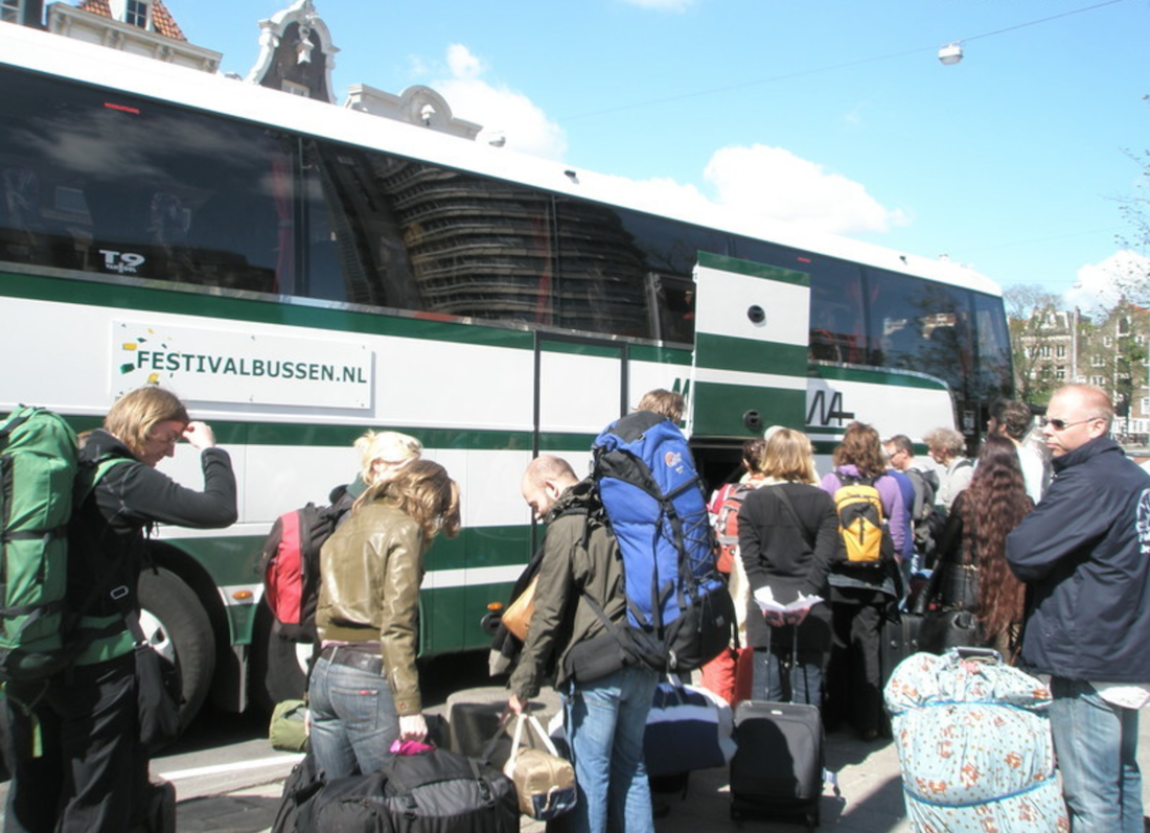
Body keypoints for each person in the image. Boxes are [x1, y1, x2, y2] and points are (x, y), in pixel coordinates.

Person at [5, 386, 237, 833]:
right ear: (144, 427)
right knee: (94, 794)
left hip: (36, 650)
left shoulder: (73, 459)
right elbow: (219, 509)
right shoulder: (125, 478)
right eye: (167, 439)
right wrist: (211, 450)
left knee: (34, 787)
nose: (170, 452)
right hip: (96, 668)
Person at [1006, 385, 1150, 833]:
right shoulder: (1131, 477)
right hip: (1122, 645)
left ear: (1097, 427)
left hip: (1087, 651)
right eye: (1044, 421)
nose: (1046, 431)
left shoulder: (1092, 480)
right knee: (1121, 779)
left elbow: (1024, 549)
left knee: (1090, 795)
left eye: (1057, 423)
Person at [508, 456, 657, 833]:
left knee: (591, 775)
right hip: (644, 657)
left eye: (534, 504)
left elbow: (548, 613)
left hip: (596, 667)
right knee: (633, 767)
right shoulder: (622, 511)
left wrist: (523, 683)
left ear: (553, 488)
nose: (537, 514)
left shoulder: (568, 524)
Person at [308, 459, 460, 779]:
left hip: (324, 673)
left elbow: (322, 607)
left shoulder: (351, 520)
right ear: (428, 497)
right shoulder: (404, 528)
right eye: (438, 512)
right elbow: (398, 624)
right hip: (366, 677)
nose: (434, 522)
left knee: (334, 800)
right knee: (390, 795)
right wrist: (409, 709)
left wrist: (312, 694)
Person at [819, 421, 908, 740]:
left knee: (836, 646)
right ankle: (868, 721)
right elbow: (897, 538)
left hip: (837, 577)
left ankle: (831, 716)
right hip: (874, 581)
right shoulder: (889, 484)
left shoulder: (831, 481)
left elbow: (822, 528)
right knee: (868, 647)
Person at [738, 429, 837, 708]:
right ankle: (807, 748)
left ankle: (768, 747)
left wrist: (764, 595)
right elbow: (824, 558)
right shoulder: (823, 501)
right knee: (807, 690)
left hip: (766, 604)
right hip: (811, 605)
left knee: (766, 691)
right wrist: (805, 598)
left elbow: (750, 558)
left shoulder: (754, 500)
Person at [925, 435, 1032, 657]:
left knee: (963, 658)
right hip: (1008, 594)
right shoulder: (1025, 505)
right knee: (1001, 658)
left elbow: (945, 546)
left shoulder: (967, 500)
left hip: (965, 595)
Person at [701, 438, 766, 705]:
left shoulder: (726, 491)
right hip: (758, 575)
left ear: (744, 463)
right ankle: (746, 704)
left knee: (721, 643)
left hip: (724, 572)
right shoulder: (774, 491)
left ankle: (716, 706)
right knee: (751, 640)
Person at [987, 398, 1050, 504]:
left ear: (1002, 427)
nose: (988, 423)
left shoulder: (990, 455)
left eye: (992, 420)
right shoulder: (1033, 459)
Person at [923, 427, 973, 512]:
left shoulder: (960, 474)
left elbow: (957, 510)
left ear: (943, 450)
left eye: (931, 449)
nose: (929, 453)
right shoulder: (957, 470)